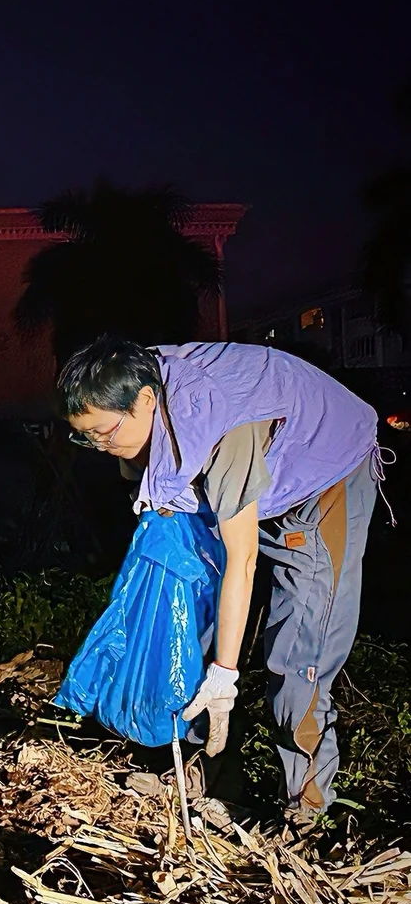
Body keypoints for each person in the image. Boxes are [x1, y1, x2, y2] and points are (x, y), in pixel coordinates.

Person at [58, 336, 387, 826]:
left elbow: (244, 558)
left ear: (145, 401)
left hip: (319, 481)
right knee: (191, 622)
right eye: (85, 437)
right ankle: (200, 772)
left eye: (103, 433)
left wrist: (226, 676)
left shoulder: (221, 423)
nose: (100, 447)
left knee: (298, 655)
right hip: (256, 478)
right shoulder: (135, 382)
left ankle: (308, 808)